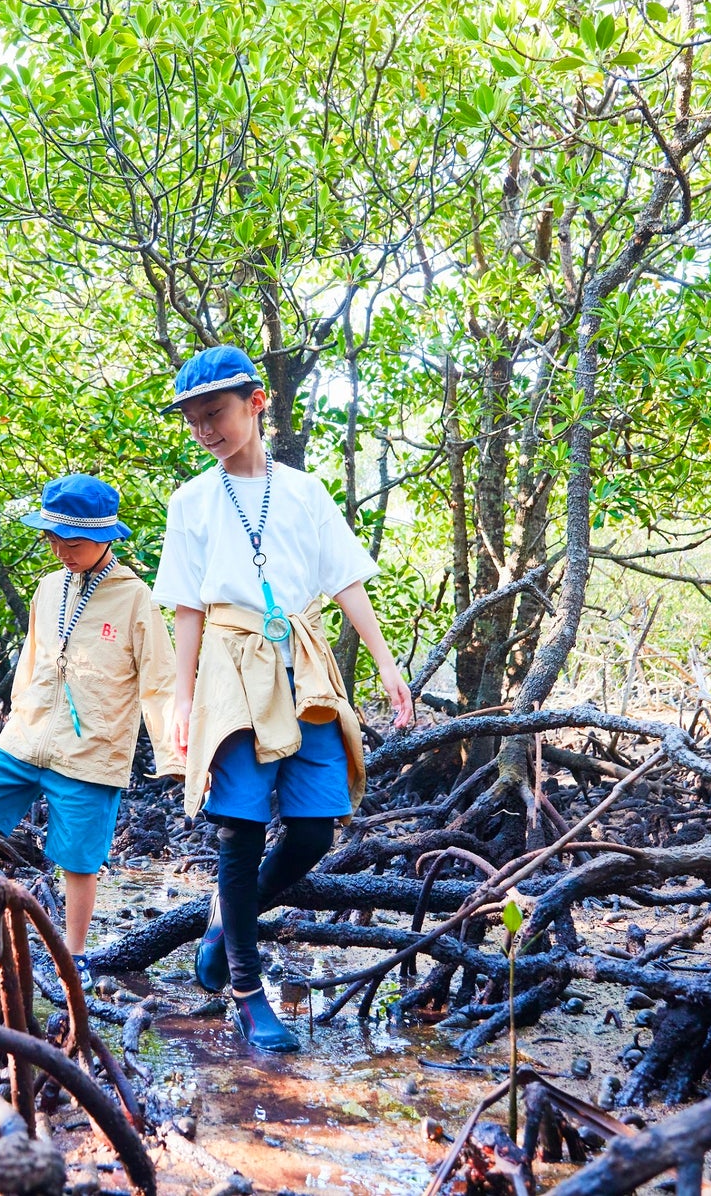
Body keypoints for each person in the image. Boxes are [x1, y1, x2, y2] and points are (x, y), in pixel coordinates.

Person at [152, 345, 413, 1053]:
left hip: (305, 661)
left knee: (313, 828)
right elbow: (184, 607)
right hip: (232, 666)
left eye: (217, 414)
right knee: (238, 828)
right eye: (194, 421)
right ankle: (246, 990)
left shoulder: (304, 492)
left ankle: (224, 924)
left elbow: (346, 582)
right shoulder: (192, 501)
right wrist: (180, 696)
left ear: (256, 403)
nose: (206, 430)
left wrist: (387, 667)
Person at [0, 474, 176, 981]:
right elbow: (32, 658)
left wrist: (175, 756)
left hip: (91, 751)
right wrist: (18, 714)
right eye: (54, 538)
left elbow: (160, 682)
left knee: (78, 861)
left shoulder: (134, 599)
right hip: (26, 736)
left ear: (107, 536)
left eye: (73, 542)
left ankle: (74, 955)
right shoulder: (48, 586)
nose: (62, 550)